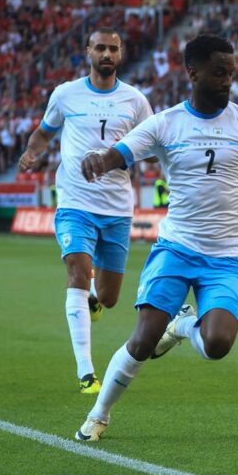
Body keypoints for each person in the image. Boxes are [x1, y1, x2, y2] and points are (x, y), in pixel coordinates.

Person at [74, 34, 238, 441]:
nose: (228, 81)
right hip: (176, 249)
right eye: (219, 72)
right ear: (193, 72)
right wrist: (100, 160)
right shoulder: (166, 123)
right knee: (142, 341)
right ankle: (99, 415)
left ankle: (182, 328)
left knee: (218, 344)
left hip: (226, 257)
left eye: (232, 73)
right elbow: (121, 151)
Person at [18, 29, 155, 394]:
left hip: (117, 208)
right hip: (75, 202)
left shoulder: (136, 101)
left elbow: (153, 145)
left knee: (109, 297)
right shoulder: (66, 94)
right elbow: (44, 132)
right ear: (88, 52)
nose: (107, 54)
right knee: (77, 271)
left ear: (121, 54)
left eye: (113, 48)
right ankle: (86, 373)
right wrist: (32, 152)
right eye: (100, 48)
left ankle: (95, 298)